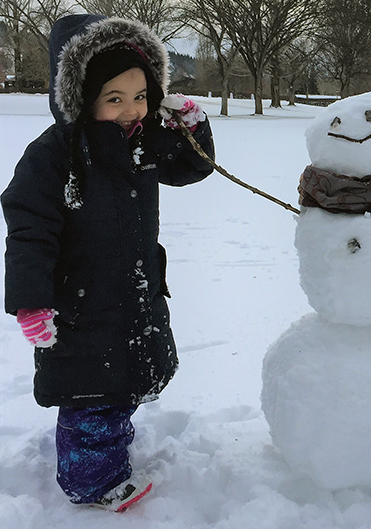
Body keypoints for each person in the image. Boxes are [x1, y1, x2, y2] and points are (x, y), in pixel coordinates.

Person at [2, 14, 214, 511]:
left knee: (122, 384)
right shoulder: (55, 155)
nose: (129, 110)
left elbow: (191, 166)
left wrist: (189, 124)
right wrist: (31, 302)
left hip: (134, 289)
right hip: (80, 303)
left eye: (141, 96)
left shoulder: (140, 140)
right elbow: (29, 229)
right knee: (90, 396)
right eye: (114, 98)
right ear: (81, 96)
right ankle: (90, 481)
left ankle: (108, 447)